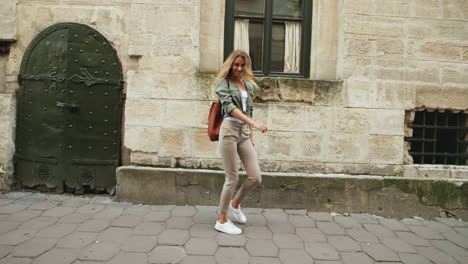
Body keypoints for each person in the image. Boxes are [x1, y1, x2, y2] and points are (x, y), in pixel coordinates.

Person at [214, 50, 268, 235]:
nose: (239, 68)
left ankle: (235, 203)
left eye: (242, 65)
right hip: (229, 130)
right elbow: (229, 108)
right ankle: (221, 219)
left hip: (244, 132)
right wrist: (254, 123)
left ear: (247, 66)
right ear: (230, 65)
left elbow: (249, 111)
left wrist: (251, 133)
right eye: (236, 64)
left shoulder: (248, 86)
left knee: (255, 177)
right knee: (232, 178)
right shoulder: (224, 83)